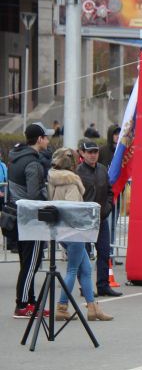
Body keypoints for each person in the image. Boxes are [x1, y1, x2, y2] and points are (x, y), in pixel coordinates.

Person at [47, 148, 113, 321]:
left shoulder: (53, 179)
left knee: (86, 269)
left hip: (60, 229)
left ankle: (92, 307)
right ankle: (62, 307)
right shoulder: (71, 183)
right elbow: (73, 210)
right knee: (73, 269)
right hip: (73, 230)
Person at [8, 124, 52, 317]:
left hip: (17, 216)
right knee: (31, 263)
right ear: (39, 139)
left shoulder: (15, 158)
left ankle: (31, 302)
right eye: (46, 137)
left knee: (27, 262)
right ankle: (22, 304)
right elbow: (34, 195)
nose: (48, 141)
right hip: (31, 219)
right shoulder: (33, 163)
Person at [77, 139, 121, 297]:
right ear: (82, 153)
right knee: (83, 255)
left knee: (104, 252)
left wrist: (107, 208)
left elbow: (110, 191)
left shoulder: (102, 169)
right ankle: (85, 287)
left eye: (95, 152)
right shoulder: (78, 172)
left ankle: (103, 286)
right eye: (89, 152)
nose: (93, 155)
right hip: (84, 220)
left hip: (101, 219)